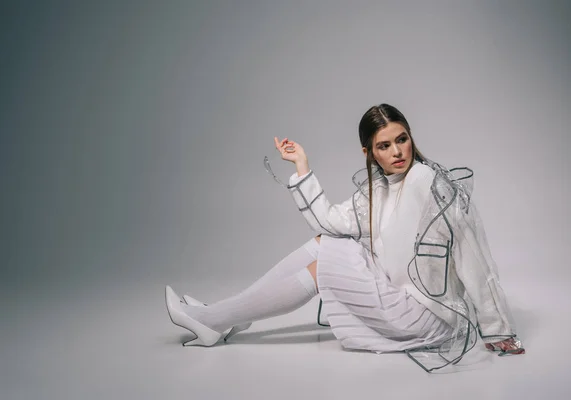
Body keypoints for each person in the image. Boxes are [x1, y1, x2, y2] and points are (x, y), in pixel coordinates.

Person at [165, 104, 525, 372]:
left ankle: (214, 319)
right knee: (327, 242)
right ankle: (223, 316)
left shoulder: (430, 184)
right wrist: (302, 165)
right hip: (393, 291)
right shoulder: (377, 189)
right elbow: (329, 222)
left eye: (402, 139)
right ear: (369, 153)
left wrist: (497, 330)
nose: (397, 152)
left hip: (424, 314)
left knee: (324, 261)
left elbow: (471, 258)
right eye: (385, 146)